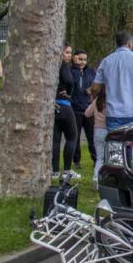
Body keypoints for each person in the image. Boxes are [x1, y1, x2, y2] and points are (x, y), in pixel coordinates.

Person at [91, 31, 133, 131]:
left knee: (114, 144)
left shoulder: (106, 61)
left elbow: (95, 88)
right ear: (129, 43)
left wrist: (96, 98)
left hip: (113, 114)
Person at [52, 45, 78, 179]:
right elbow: (69, 80)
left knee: (55, 140)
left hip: (54, 105)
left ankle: (55, 170)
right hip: (64, 104)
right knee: (72, 137)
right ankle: (67, 170)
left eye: (70, 53)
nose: (69, 55)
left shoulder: (51, 66)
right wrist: (70, 91)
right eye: (67, 52)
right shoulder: (64, 66)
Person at [70, 49, 96, 168]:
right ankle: (76, 161)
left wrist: (93, 90)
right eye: (80, 59)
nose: (82, 62)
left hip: (88, 108)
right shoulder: (70, 71)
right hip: (75, 109)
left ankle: (96, 159)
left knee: (92, 136)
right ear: (75, 58)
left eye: (84, 59)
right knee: (76, 136)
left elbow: (97, 85)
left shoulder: (90, 72)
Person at [85, 89, 107, 190]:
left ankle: (95, 178)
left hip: (97, 131)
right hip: (108, 131)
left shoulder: (96, 101)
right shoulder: (111, 102)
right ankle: (105, 179)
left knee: (99, 158)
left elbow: (87, 113)